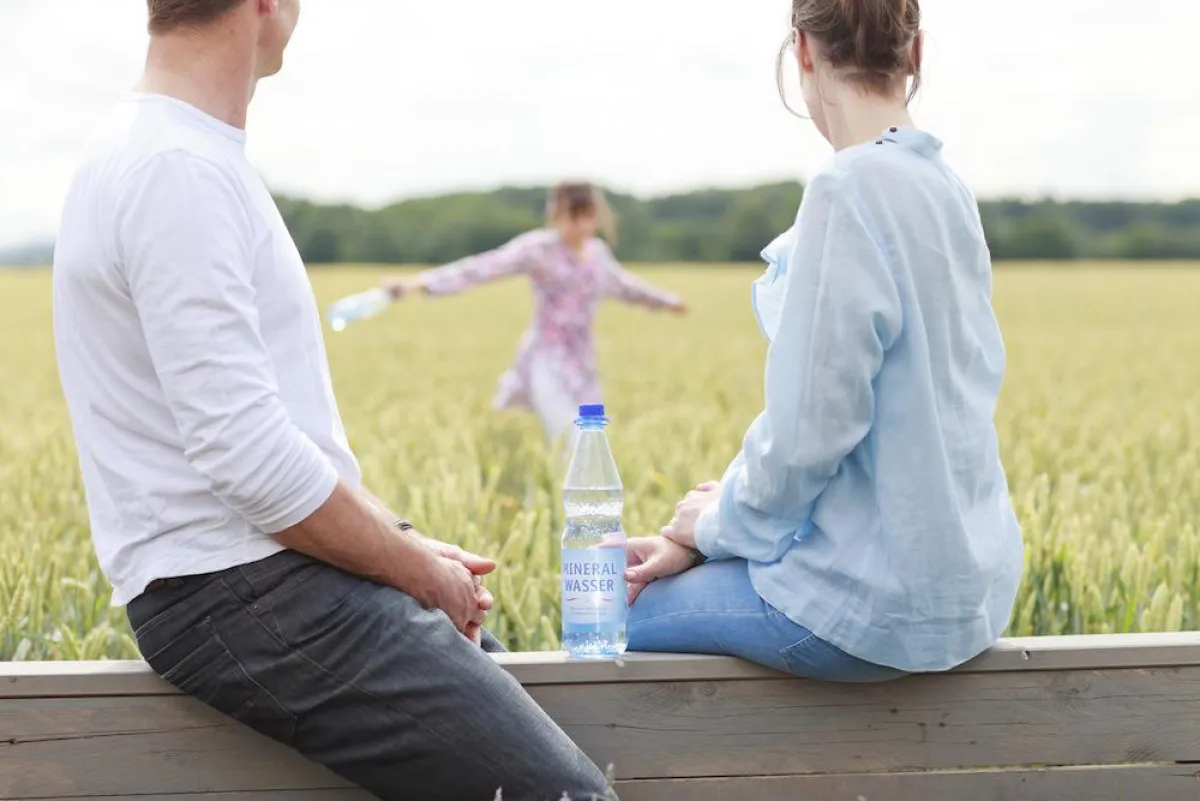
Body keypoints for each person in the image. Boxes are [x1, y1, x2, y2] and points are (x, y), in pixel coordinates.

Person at [50, 2, 612, 799]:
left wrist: (399, 537)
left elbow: (274, 429)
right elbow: (247, 459)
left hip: (259, 574)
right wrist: (414, 567)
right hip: (246, 586)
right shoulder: (176, 169)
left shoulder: (165, 152)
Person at [622, 0, 1024, 682]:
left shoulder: (848, 187)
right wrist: (722, 519)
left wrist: (712, 529)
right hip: (968, 595)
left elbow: (815, 426)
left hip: (875, 607)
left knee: (619, 612)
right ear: (916, 52)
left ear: (804, 52)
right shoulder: (944, 185)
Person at [382, 182, 688, 447]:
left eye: (588, 217)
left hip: (583, 362)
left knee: (591, 442)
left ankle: (565, 502)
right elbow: (480, 268)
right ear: (557, 214)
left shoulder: (598, 254)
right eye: (573, 216)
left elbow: (627, 286)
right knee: (568, 437)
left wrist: (668, 302)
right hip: (547, 358)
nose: (581, 226)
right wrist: (417, 284)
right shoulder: (538, 249)